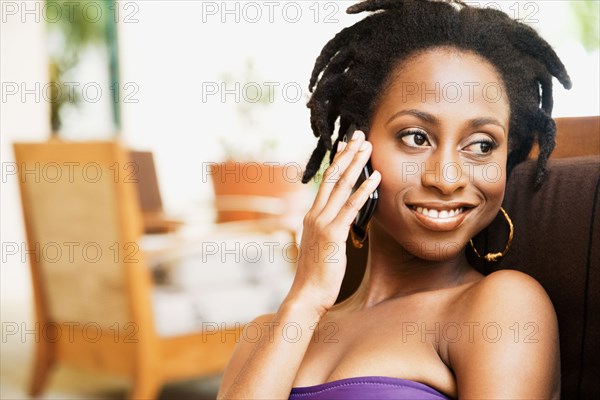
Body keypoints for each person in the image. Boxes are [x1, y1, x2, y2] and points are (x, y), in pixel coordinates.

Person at [217, 0, 571, 398]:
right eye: (416, 138)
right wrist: (305, 299)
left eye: (482, 144)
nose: (447, 178)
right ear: (356, 146)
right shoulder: (268, 333)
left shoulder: (499, 308)